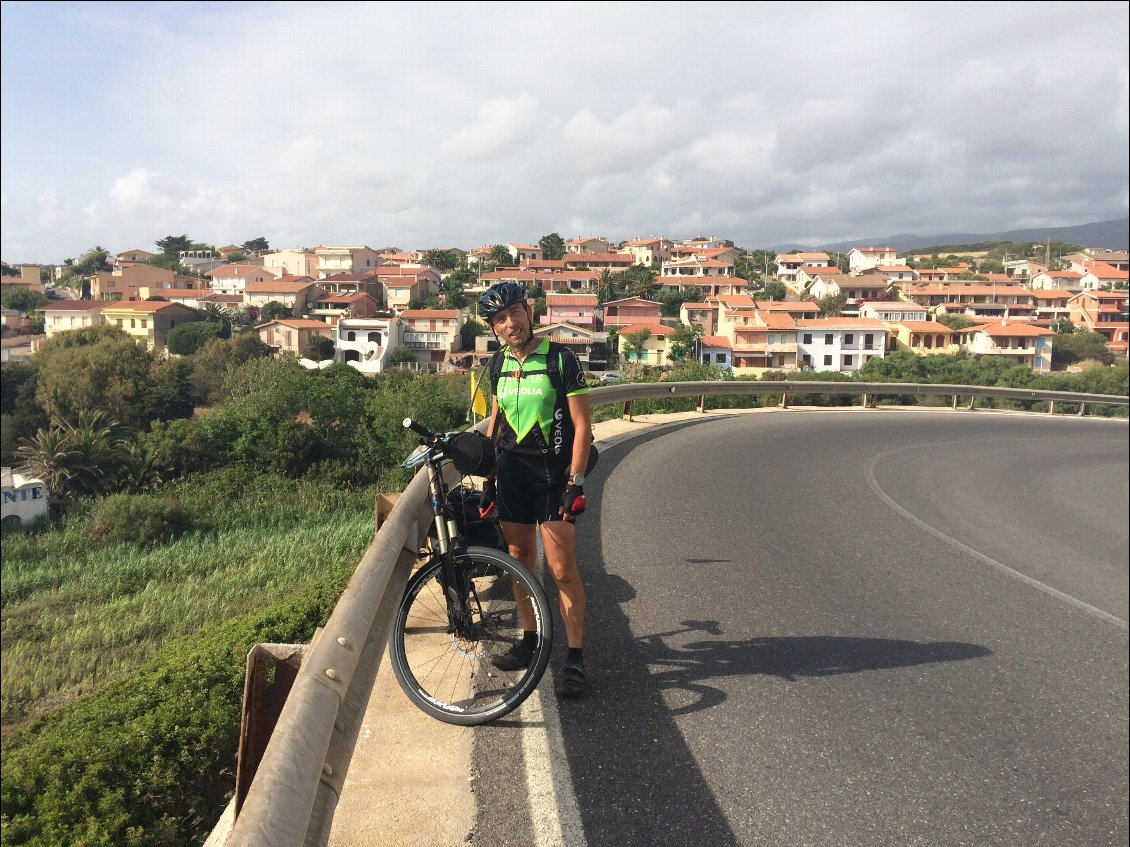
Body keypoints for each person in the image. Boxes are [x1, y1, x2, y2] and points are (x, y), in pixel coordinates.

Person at [476, 281, 593, 698]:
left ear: (528, 311)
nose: (510, 323)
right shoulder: (496, 366)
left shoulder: (562, 360)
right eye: (500, 319)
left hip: (552, 474)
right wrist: (489, 479)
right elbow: (496, 424)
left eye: (514, 313)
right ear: (494, 328)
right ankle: (529, 640)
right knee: (520, 563)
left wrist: (575, 481)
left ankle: (575, 656)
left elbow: (582, 425)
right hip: (511, 473)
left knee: (562, 570)